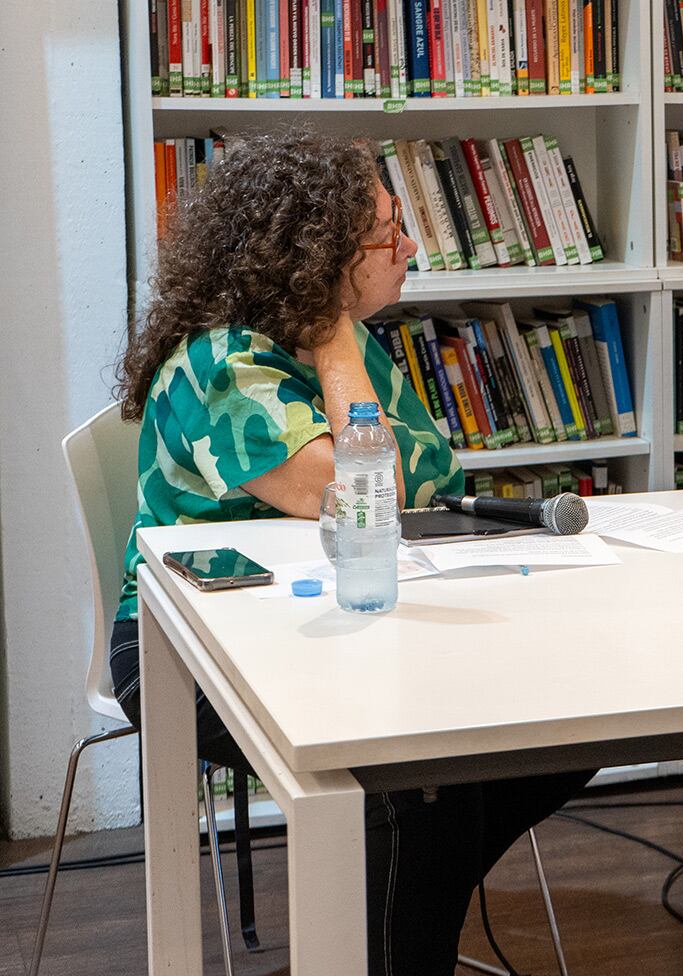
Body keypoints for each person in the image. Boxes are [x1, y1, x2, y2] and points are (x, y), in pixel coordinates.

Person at [112, 132, 591, 975]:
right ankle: (386, 930)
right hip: (188, 649)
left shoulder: (343, 342)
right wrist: (334, 332)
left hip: (339, 620)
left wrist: (339, 333)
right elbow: (359, 493)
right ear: (322, 259)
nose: (410, 249)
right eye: (384, 235)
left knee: (570, 717)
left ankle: (375, 925)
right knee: (422, 784)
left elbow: (430, 478)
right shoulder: (223, 361)